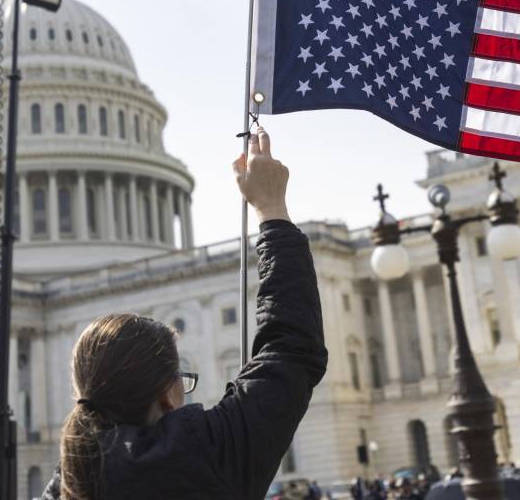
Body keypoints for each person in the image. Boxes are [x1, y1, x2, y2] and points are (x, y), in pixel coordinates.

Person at [40, 127, 327, 500]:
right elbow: (290, 348)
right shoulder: (211, 453)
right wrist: (271, 210)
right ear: (168, 394)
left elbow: (289, 351)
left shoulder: (70, 482)